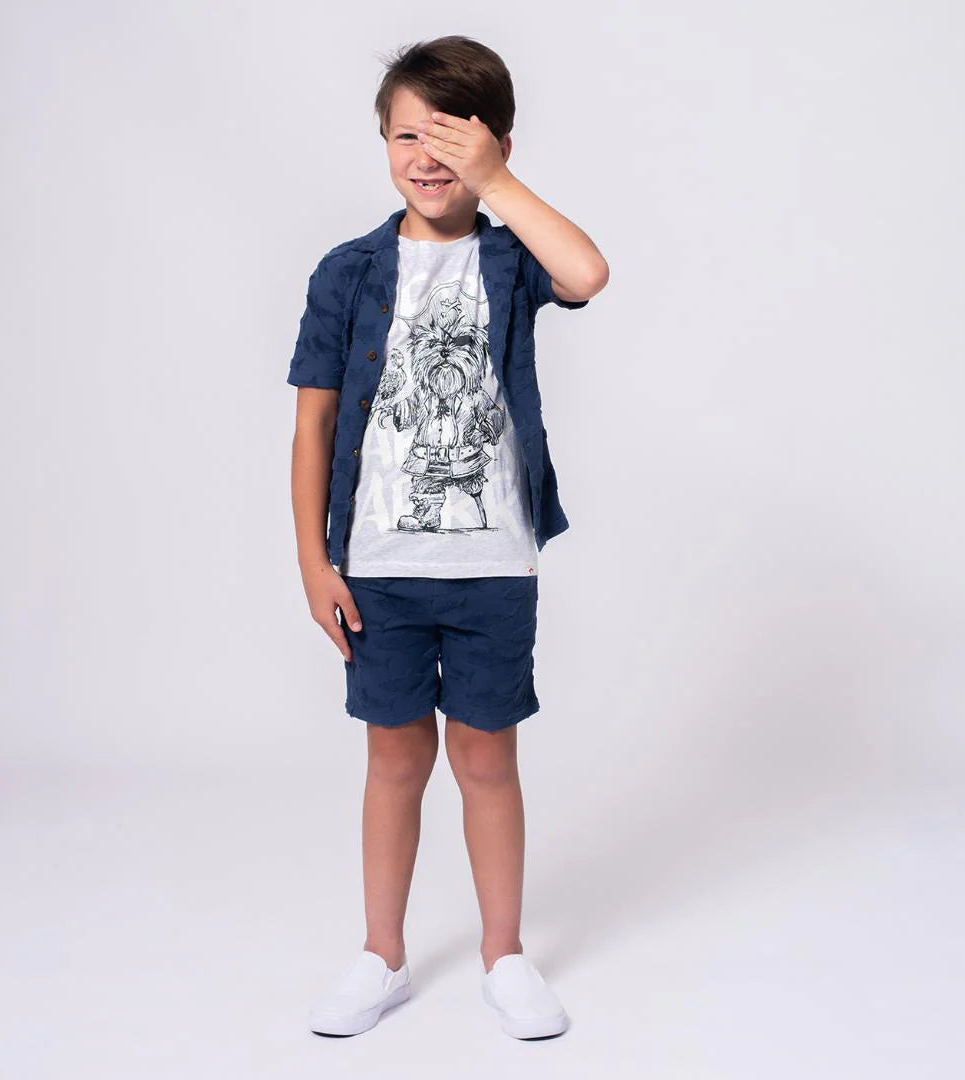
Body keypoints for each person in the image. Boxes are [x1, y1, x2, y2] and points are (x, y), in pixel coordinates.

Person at [286, 35, 608, 1040]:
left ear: (495, 143)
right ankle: (381, 955)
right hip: (378, 569)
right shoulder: (348, 272)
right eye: (406, 137)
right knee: (393, 762)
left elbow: (588, 272)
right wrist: (313, 559)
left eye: (452, 139)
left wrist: (496, 180)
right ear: (382, 142)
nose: (426, 159)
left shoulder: (511, 259)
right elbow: (313, 425)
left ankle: (504, 956)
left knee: (486, 761)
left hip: (491, 566)